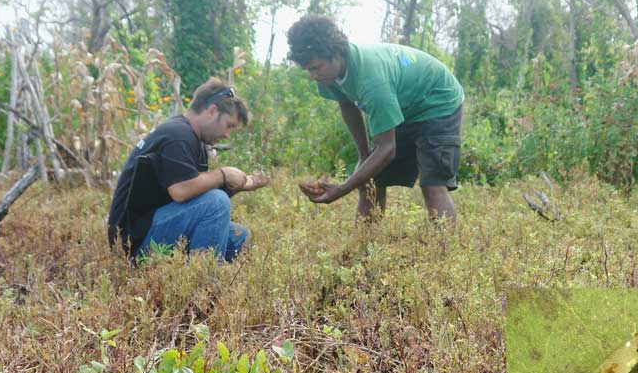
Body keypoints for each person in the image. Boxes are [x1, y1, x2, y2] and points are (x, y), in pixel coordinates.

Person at [286, 15, 464, 221]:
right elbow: (347, 104)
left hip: (438, 101)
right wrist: (363, 156)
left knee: (433, 184)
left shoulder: (372, 81)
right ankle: (366, 240)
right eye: (308, 70)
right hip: (404, 105)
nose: (313, 76)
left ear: (335, 53)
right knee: (371, 177)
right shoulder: (329, 74)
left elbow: (387, 149)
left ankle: (443, 241)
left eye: (316, 68)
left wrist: (343, 189)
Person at [107, 78, 268, 262]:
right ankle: (203, 277)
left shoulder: (192, 138)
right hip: (133, 240)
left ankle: (195, 271)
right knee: (216, 203)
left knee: (239, 237)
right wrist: (224, 174)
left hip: (156, 223)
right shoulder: (178, 134)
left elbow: (196, 198)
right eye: (229, 125)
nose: (227, 134)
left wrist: (236, 186)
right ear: (212, 111)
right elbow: (181, 191)